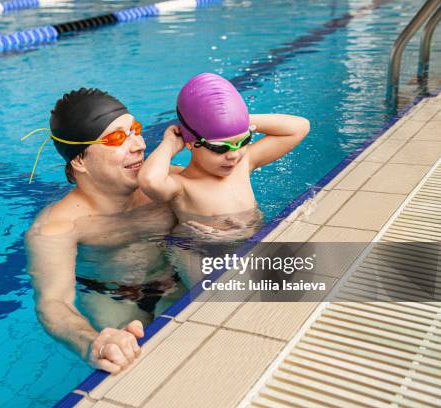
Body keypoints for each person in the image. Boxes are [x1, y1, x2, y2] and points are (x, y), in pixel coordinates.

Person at [24, 88, 184, 375]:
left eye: (135, 130)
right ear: (79, 161)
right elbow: (53, 303)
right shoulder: (56, 227)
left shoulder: (165, 184)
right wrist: (91, 344)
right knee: (135, 366)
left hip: (173, 280)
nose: (139, 144)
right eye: (117, 138)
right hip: (112, 298)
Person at [138, 73, 310, 239]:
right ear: (190, 144)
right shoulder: (183, 187)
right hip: (212, 256)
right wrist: (169, 143)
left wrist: (239, 120)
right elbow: (150, 181)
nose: (234, 155)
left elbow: (299, 127)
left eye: (243, 142)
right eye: (220, 148)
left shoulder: (243, 164)